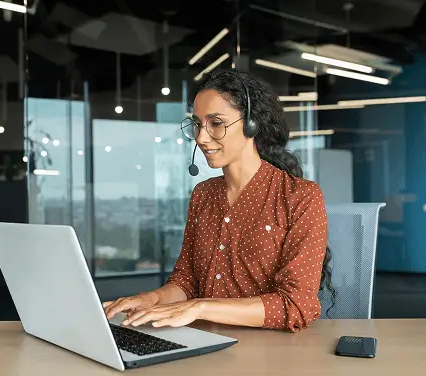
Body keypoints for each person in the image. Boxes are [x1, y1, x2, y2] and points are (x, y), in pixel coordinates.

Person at [104, 69, 335, 333]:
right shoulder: (203, 194)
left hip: (270, 350)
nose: (202, 137)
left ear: (251, 123)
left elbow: (296, 305)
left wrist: (200, 307)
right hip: (206, 341)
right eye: (198, 124)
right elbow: (186, 281)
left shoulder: (300, 196)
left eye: (216, 123)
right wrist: (150, 299)